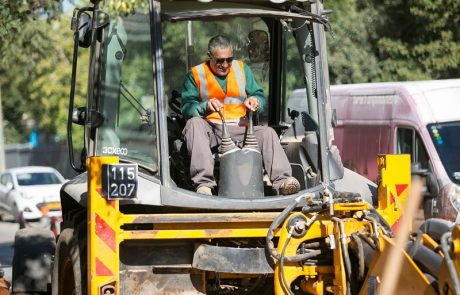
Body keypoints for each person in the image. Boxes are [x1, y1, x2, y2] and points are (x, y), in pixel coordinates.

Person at [181, 35, 300, 196]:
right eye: (220, 60)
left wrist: (255, 101)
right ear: (209, 56)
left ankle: (283, 182)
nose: (225, 65)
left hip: (242, 128)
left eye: (229, 60)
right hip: (212, 130)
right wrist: (205, 106)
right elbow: (187, 108)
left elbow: (259, 95)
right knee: (194, 124)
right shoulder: (195, 74)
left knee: (268, 133)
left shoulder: (242, 69)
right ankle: (204, 184)